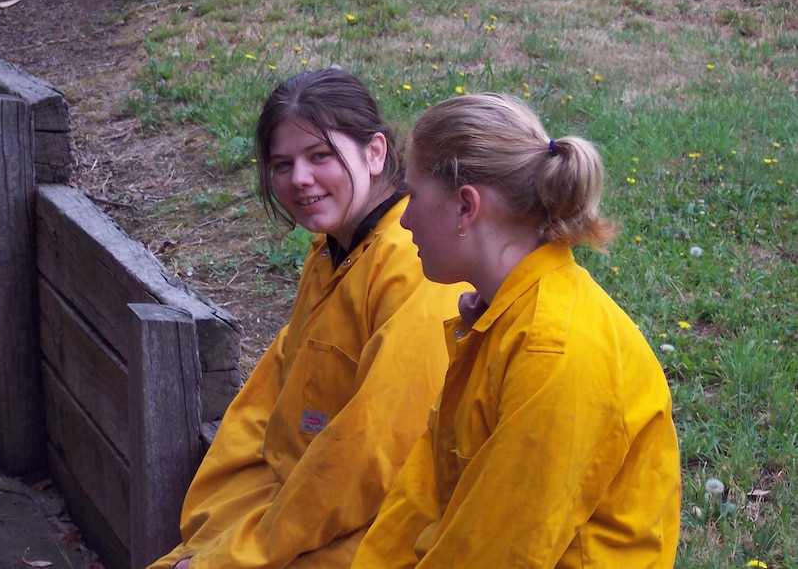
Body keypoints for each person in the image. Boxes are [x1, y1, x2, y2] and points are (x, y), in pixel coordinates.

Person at [148, 69, 470, 569]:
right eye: (282, 164)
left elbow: (376, 453)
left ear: (376, 152)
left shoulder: (414, 266)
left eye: (320, 156)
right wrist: (224, 523)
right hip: (313, 504)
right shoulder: (332, 252)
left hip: (392, 525)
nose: (299, 179)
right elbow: (273, 399)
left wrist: (243, 552)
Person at [350, 93, 682, 568]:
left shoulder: (554, 352)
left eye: (413, 195)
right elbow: (422, 493)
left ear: (466, 207)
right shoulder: (504, 316)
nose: (403, 218)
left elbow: (497, 555)